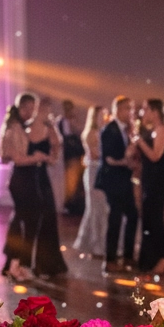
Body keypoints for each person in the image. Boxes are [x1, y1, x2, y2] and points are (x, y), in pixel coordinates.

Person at [0, 93, 48, 281]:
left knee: (21, 221)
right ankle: (20, 265)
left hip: (22, 179)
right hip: (23, 179)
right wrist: (37, 157)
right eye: (30, 108)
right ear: (23, 108)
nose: (32, 113)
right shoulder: (15, 128)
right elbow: (17, 158)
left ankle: (13, 264)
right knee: (28, 223)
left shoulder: (15, 126)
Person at [96, 96, 139, 273]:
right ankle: (110, 259)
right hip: (112, 179)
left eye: (131, 109)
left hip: (124, 179)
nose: (130, 113)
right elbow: (108, 159)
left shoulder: (128, 130)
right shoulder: (109, 130)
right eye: (127, 109)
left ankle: (128, 255)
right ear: (119, 110)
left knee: (132, 215)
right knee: (115, 218)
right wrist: (126, 162)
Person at [26, 96, 67, 278]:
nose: (46, 111)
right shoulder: (26, 126)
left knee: (48, 218)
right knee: (37, 220)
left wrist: (51, 157)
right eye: (44, 108)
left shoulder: (48, 126)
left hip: (42, 176)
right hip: (29, 175)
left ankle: (49, 264)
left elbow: (57, 144)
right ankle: (35, 264)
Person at [136, 99, 164, 275]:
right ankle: (152, 260)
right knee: (149, 220)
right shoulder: (154, 130)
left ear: (155, 111)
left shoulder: (162, 129)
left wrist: (139, 142)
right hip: (150, 180)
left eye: (146, 109)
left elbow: (155, 156)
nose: (143, 113)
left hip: (158, 182)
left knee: (155, 221)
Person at [73, 105, 108, 257]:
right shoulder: (91, 133)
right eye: (100, 116)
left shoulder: (102, 132)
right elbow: (94, 155)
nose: (103, 118)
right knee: (94, 209)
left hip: (100, 172)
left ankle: (90, 244)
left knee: (97, 209)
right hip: (93, 172)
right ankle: (95, 246)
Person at [58, 99, 85, 215]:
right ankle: (70, 205)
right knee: (70, 181)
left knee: (77, 181)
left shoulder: (74, 121)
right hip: (69, 155)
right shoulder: (61, 122)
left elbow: (79, 135)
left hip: (77, 154)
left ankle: (76, 205)